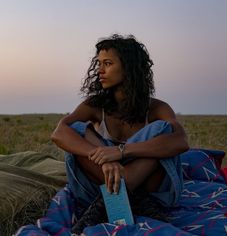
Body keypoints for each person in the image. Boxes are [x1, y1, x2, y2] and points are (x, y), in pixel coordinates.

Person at [51, 34, 189, 230]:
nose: (100, 70)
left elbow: (181, 141)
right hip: (103, 182)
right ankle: (134, 199)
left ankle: (105, 205)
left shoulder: (157, 108)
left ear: (129, 67)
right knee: (74, 129)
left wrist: (123, 151)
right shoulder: (95, 105)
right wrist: (106, 158)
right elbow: (59, 133)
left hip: (149, 189)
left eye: (107, 63)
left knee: (163, 129)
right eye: (98, 64)